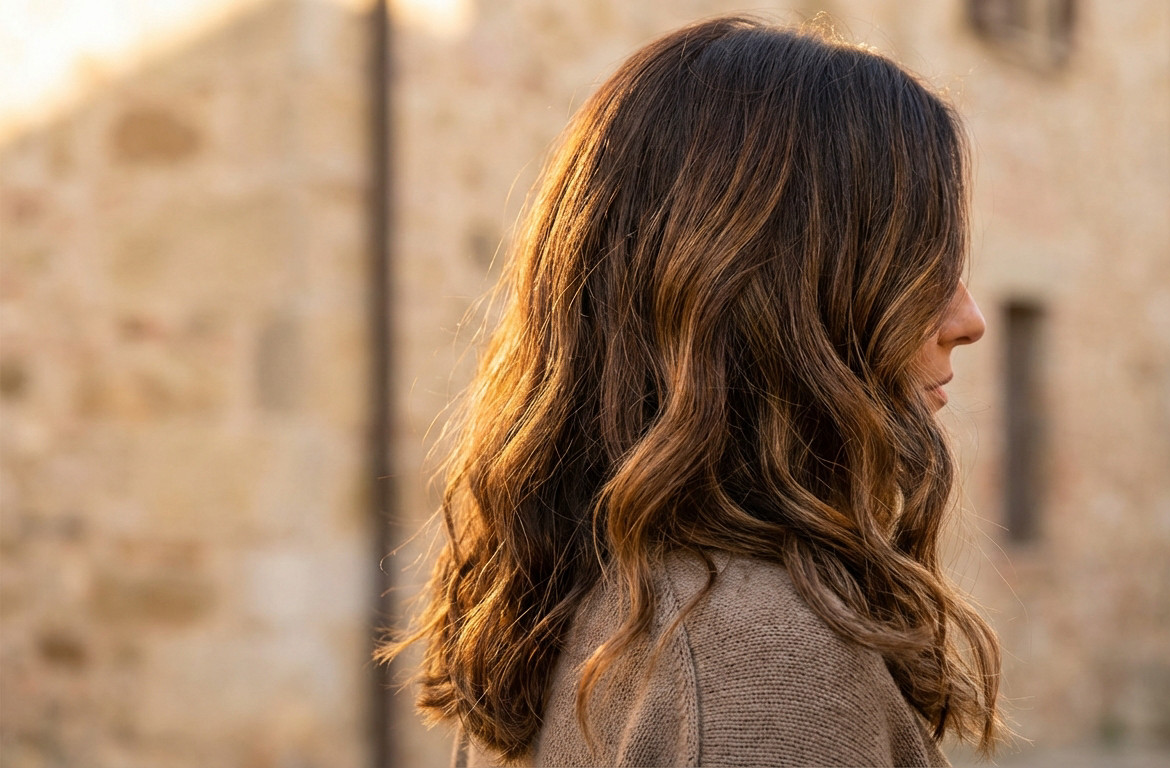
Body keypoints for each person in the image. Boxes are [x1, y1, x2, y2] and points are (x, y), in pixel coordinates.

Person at [383, 14, 1005, 767]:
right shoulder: (764, 667)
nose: (969, 320)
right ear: (775, 297)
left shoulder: (589, 609)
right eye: (916, 262)